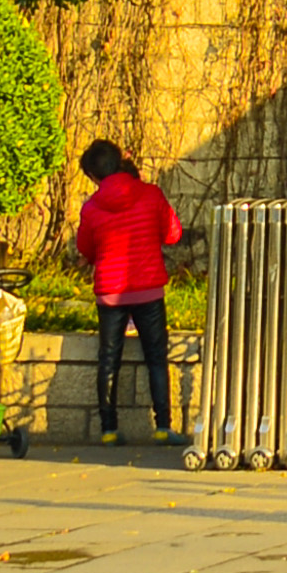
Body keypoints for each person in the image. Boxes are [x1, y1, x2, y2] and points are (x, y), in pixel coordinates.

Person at [71, 140, 186, 447]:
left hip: (110, 292)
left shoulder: (91, 207)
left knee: (108, 359)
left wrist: (95, 255)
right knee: (156, 358)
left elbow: (86, 247)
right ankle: (163, 425)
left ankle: (108, 428)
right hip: (148, 289)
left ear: (95, 176)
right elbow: (173, 234)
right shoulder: (151, 194)